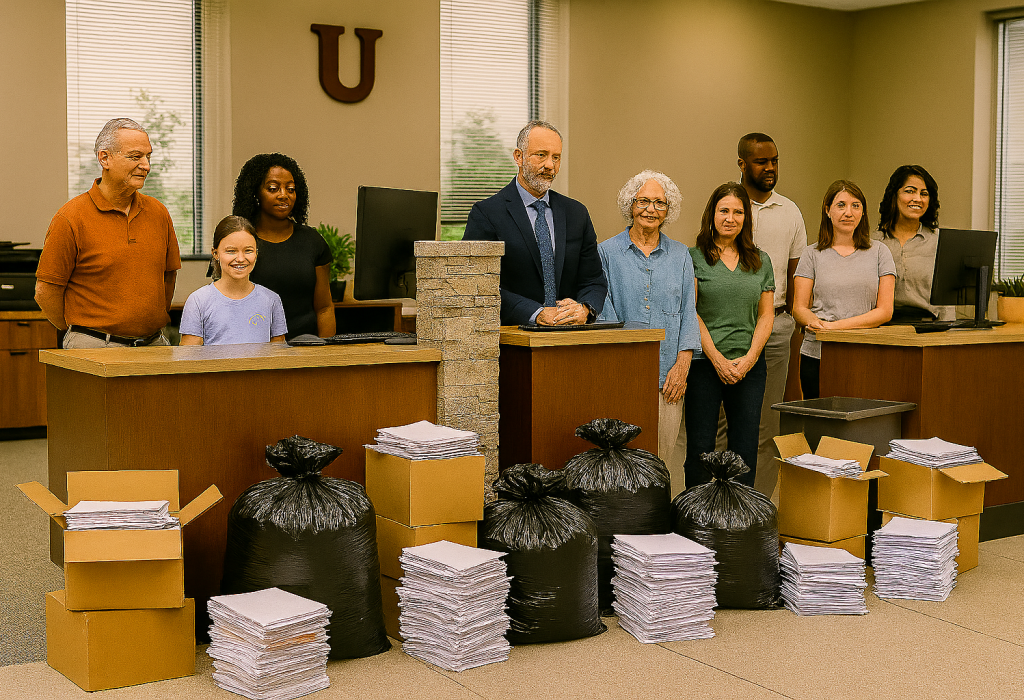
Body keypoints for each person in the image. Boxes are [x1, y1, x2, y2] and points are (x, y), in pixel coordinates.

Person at [35, 118, 180, 348]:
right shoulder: (70, 217)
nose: (146, 166)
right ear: (105, 158)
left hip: (154, 344)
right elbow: (46, 291)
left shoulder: (158, 212)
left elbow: (168, 275)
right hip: (94, 345)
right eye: (135, 156)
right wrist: (79, 333)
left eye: (148, 156)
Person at [598, 170, 700, 495]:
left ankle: (655, 532)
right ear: (631, 205)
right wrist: (624, 367)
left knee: (660, 463)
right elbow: (604, 313)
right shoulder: (606, 253)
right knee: (621, 462)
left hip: (669, 379)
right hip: (621, 376)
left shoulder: (682, 255)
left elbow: (688, 311)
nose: (651, 209)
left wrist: (682, 366)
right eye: (644, 200)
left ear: (668, 211)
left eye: (660, 203)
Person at [463, 120, 607, 326]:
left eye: (556, 157)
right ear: (518, 156)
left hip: (571, 340)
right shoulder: (487, 213)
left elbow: (594, 281)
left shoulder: (577, 213)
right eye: (541, 155)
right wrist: (535, 313)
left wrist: (584, 308)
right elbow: (477, 283)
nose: (550, 165)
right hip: (515, 340)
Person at [685, 183, 775, 489]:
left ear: (746, 218)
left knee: (745, 447)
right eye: (724, 210)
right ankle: (694, 517)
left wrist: (749, 359)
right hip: (704, 365)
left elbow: (766, 314)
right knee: (700, 447)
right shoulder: (693, 258)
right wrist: (717, 359)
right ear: (712, 215)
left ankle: (740, 518)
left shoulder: (760, 261)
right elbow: (691, 312)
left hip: (749, 366)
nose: (730, 218)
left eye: (738, 212)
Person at [733, 132, 808, 498]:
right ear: (742, 164)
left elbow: (796, 276)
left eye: (775, 160)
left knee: (767, 422)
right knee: (723, 420)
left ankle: (756, 504)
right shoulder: (728, 205)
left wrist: (794, 327)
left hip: (777, 325)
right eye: (762, 161)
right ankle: (717, 501)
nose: (770, 168)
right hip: (729, 326)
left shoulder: (790, 211)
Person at [793, 180, 896, 399]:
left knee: (861, 426)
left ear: (863, 212)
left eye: (855, 205)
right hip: (817, 353)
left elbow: (885, 311)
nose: (848, 212)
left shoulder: (880, 252)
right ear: (827, 210)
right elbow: (799, 308)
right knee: (819, 424)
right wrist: (818, 324)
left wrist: (836, 328)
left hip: (865, 353)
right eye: (841, 205)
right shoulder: (811, 254)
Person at [231, 153, 335, 338]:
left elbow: (324, 308)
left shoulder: (311, 241)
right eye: (273, 188)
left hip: (306, 347)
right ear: (256, 194)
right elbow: (225, 305)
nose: (284, 195)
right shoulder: (238, 241)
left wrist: (325, 356)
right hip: (252, 348)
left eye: (291, 189)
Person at [179, 216, 287, 346]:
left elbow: (279, 358)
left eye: (248, 251)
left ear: (256, 253)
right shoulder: (198, 301)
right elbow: (189, 359)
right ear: (215, 253)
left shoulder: (271, 300)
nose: (240, 258)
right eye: (231, 251)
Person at [873, 165, 952, 321]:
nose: (917, 198)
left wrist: (948, 337)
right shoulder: (874, 243)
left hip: (929, 329)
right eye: (910, 191)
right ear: (894, 196)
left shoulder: (939, 243)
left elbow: (946, 305)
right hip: (882, 329)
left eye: (924, 194)